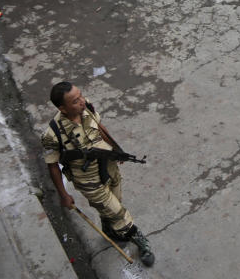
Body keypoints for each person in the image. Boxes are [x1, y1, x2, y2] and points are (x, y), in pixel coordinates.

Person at [41, 82, 155, 266]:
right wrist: (63, 195)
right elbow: (52, 165)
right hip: (88, 180)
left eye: (81, 95)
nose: (81, 101)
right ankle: (139, 239)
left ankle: (109, 228)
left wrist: (117, 151)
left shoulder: (87, 107)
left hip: (107, 166)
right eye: (75, 100)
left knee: (115, 202)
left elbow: (101, 128)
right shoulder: (52, 134)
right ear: (62, 108)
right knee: (117, 212)